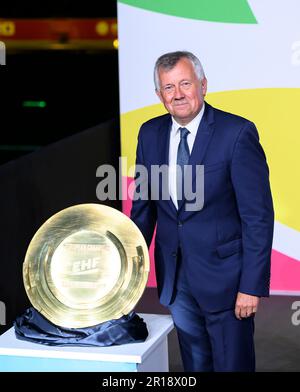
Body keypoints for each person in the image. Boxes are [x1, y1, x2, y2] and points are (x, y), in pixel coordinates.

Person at [130, 51, 274, 372]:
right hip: (175, 281)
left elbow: (258, 218)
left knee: (232, 365)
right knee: (194, 365)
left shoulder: (236, 133)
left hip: (227, 279)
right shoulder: (149, 133)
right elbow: (143, 209)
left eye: (185, 83)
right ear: (159, 95)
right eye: (168, 88)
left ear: (203, 85)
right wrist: (125, 272)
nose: (178, 94)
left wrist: (250, 286)